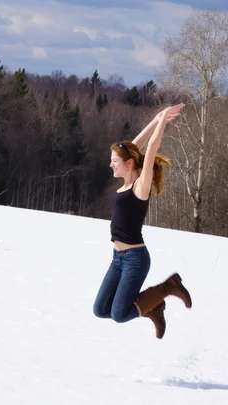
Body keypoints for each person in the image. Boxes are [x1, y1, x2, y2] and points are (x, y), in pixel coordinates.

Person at [92, 103, 192, 339]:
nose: (110, 164)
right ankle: (151, 306)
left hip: (135, 260)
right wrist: (155, 118)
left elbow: (150, 148)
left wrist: (160, 124)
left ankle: (169, 287)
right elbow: (133, 148)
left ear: (128, 164)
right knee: (100, 309)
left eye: (114, 161)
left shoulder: (140, 186)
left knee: (118, 314)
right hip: (118, 258)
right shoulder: (127, 179)